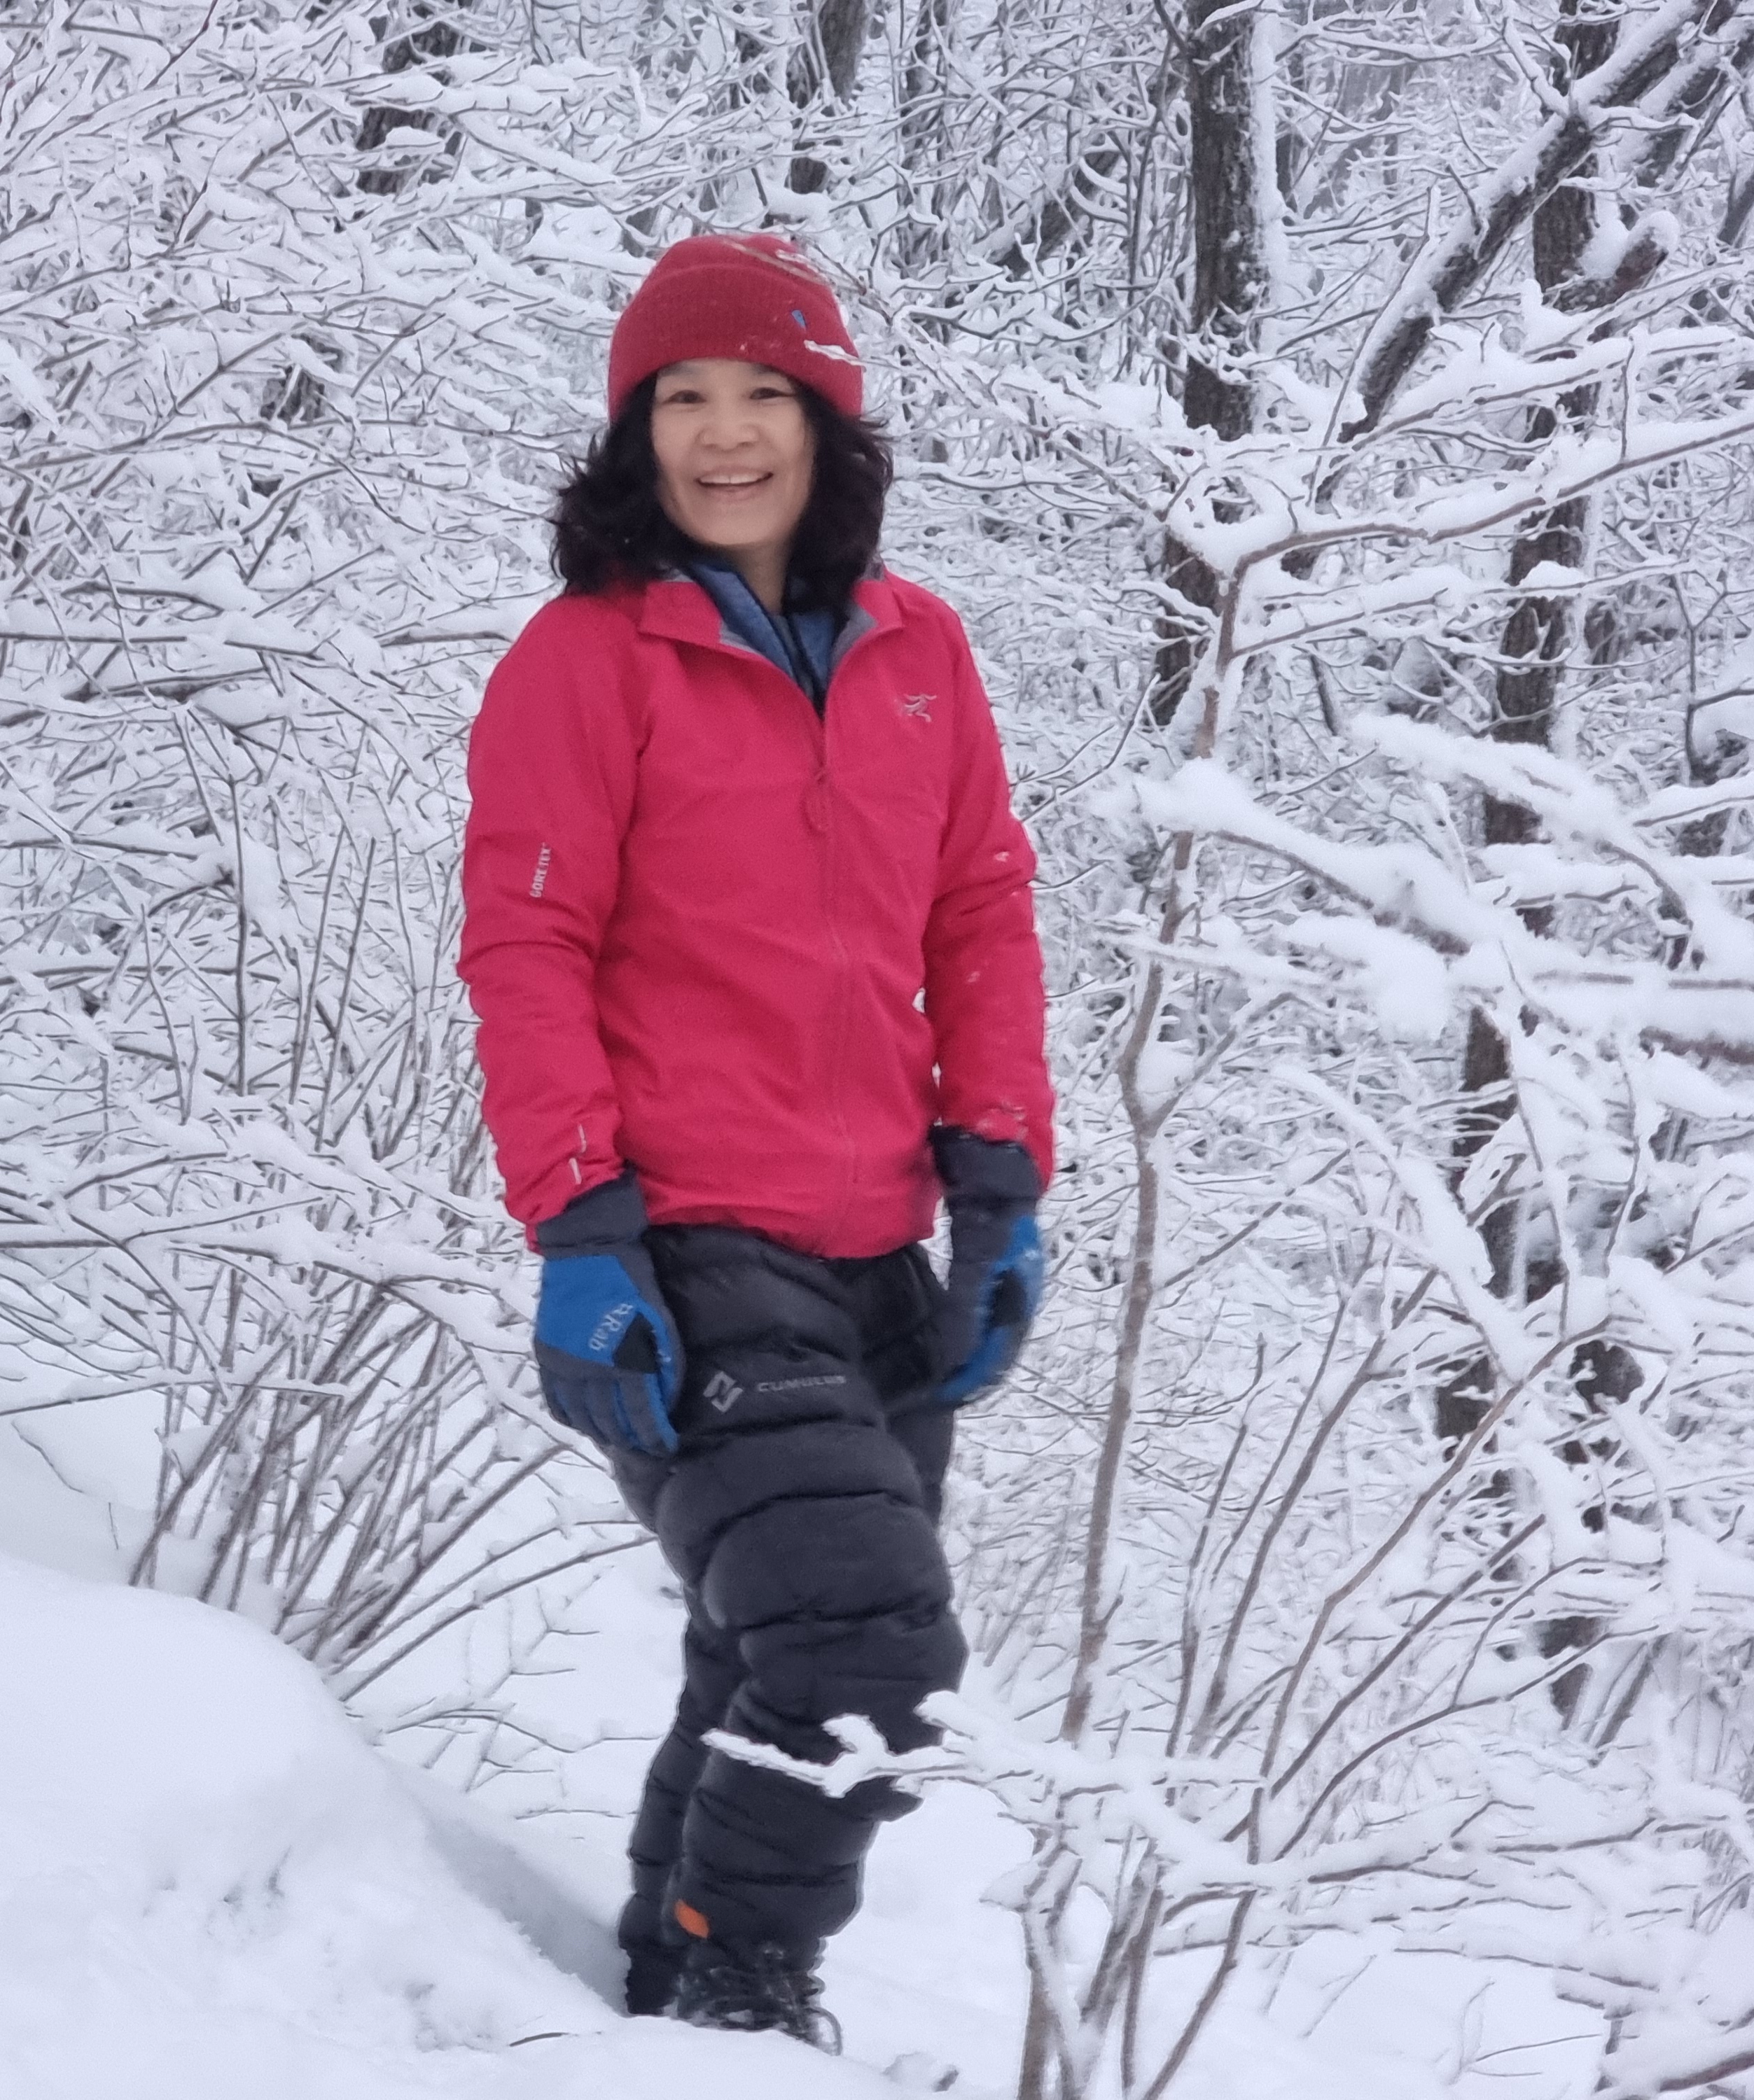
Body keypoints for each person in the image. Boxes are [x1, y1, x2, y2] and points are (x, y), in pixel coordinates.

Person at [454, 231, 1055, 2048]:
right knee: (868, 1657)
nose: (725, 436)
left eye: (766, 396)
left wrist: (1000, 1186)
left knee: (764, 1657)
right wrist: (581, 1230)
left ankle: (657, 1995)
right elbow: (527, 946)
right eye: (684, 400)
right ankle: (738, 2005)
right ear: (636, 431)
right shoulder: (588, 659)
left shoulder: (920, 650)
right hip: (690, 1249)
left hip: (883, 1262)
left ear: (828, 423)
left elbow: (982, 908)